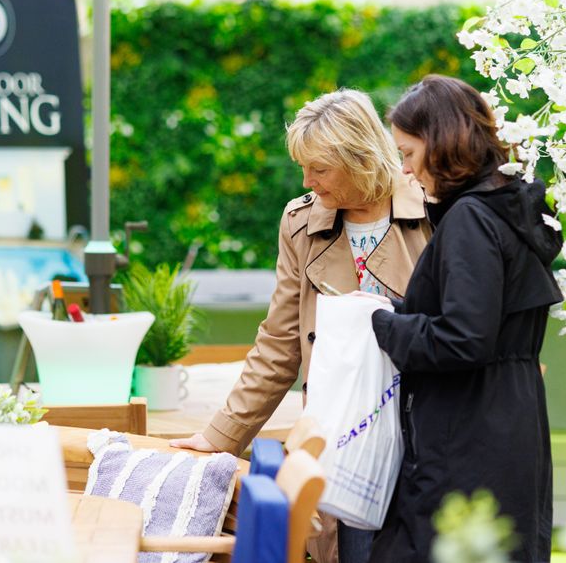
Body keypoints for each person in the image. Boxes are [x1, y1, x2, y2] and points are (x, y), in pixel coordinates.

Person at [171, 89, 432, 563]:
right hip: (341, 444)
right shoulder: (299, 223)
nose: (308, 181)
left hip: (424, 435)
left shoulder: (435, 212)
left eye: (320, 168)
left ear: (360, 157)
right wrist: (220, 436)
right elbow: (279, 343)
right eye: (303, 167)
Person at [367, 75, 563, 563]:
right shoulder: (508, 209)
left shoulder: (471, 219)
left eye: (409, 154)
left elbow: (464, 339)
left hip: (469, 429)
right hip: (508, 420)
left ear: (441, 143)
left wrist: (382, 322)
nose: (407, 172)